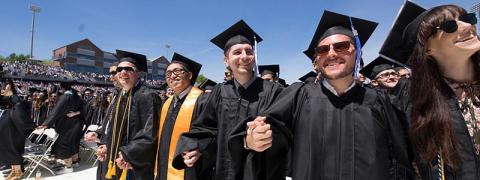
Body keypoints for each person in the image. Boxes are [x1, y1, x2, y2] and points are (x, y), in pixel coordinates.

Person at [257, 10, 414, 179]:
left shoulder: (381, 102)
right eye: (323, 50)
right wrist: (252, 138)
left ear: (358, 52)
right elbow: (267, 135)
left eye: (341, 46)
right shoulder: (299, 96)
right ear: (317, 59)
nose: (331, 53)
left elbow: (401, 159)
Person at [173, 20, 289, 180]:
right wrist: (195, 147)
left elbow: (285, 130)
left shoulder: (273, 92)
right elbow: (207, 128)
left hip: (262, 171)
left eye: (249, 52)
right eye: (237, 52)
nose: (244, 57)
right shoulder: (219, 92)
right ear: (226, 60)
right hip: (225, 171)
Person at [385, 2, 480, 179]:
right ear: (427, 49)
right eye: (449, 26)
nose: (468, 26)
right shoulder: (416, 105)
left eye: (468, 18)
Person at [104, 50, 161, 180]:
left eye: (128, 68)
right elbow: (114, 128)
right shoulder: (120, 96)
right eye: (119, 69)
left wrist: (128, 153)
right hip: (118, 157)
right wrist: (106, 145)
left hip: (136, 162)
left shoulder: (148, 96)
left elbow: (151, 133)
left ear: (138, 74)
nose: (123, 72)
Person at [39, 80, 86, 174]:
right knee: (73, 142)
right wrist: (75, 113)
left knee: (64, 144)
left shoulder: (65, 96)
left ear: (62, 88)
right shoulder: (77, 96)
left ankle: (68, 167)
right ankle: (75, 162)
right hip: (76, 123)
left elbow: (56, 111)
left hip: (66, 124)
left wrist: (46, 124)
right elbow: (83, 109)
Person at [0, 79, 32, 180]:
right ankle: (14, 171)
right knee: (8, 149)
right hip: (7, 130)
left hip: (14, 130)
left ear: (9, 87)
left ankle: (18, 173)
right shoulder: (7, 98)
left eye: (4, 87)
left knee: (13, 150)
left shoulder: (15, 98)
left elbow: (19, 112)